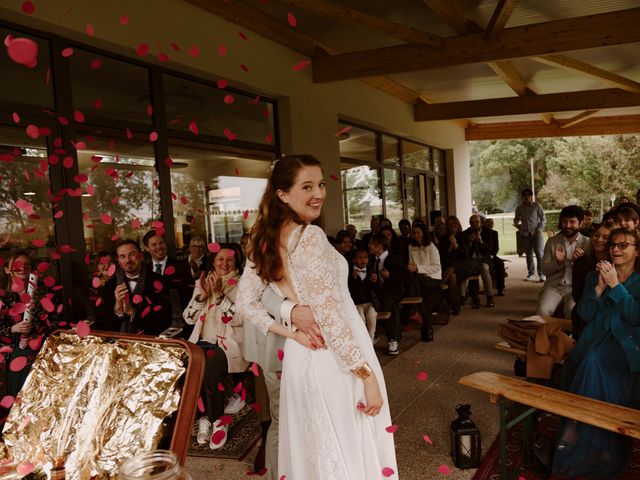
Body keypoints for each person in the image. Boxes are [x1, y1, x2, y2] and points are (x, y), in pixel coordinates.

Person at [236, 154, 397, 479]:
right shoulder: (307, 236)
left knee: (317, 450)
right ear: (282, 194)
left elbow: (244, 302)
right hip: (336, 358)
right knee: (347, 447)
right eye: (306, 186)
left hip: (302, 354)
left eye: (321, 184)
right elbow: (330, 316)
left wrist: (291, 331)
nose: (319, 193)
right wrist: (367, 376)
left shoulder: (264, 238)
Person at [552, 228, 640, 478]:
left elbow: (635, 316)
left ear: (637, 251)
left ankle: (577, 431)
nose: (615, 249)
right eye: (614, 244)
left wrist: (616, 285)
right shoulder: (595, 274)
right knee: (586, 360)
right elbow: (586, 314)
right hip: (595, 340)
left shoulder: (639, 280)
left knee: (594, 362)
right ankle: (594, 443)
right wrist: (599, 289)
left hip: (626, 345)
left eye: (624, 245)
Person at [183, 246, 247, 450]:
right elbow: (189, 318)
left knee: (208, 362)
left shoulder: (243, 284)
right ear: (213, 261)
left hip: (231, 343)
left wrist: (220, 295)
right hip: (202, 340)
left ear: (237, 262)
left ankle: (218, 420)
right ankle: (205, 418)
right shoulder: (203, 281)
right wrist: (201, 296)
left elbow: (240, 319)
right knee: (193, 360)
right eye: (220, 259)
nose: (224, 264)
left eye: (230, 260)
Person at [0, 251, 61, 399]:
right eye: (17, 265)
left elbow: (56, 321)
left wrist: (38, 336)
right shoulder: (3, 298)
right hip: (14, 355)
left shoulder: (46, 294)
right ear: (7, 270)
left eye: (27, 265)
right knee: (19, 394)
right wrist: (13, 330)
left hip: (42, 351)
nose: (22, 268)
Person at [98, 239, 172, 335]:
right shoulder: (110, 285)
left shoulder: (160, 282)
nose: (128, 260)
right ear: (119, 260)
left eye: (132, 254)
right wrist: (117, 309)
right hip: (121, 345)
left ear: (141, 256)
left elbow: (163, 323)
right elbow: (106, 326)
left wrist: (133, 312)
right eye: (122, 256)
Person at [537, 206, 591, 319]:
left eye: (572, 222)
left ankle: (569, 337)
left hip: (576, 288)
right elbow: (545, 270)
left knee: (572, 311)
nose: (567, 225)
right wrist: (558, 262)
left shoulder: (588, 243)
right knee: (542, 311)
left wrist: (578, 263)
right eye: (564, 221)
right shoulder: (552, 242)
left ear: (581, 224)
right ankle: (544, 336)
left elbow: (590, 272)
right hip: (554, 286)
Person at [570, 220, 616, 339]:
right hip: (586, 308)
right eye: (596, 235)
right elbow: (577, 295)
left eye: (605, 237)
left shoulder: (616, 264)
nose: (599, 239)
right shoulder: (581, 262)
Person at [369, 233, 409, 355]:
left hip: (395, 291)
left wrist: (389, 276)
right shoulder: (373, 260)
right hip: (382, 291)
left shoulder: (392, 259)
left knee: (387, 305)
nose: (369, 246)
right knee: (390, 307)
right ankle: (391, 338)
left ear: (380, 246)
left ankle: (392, 339)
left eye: (372, 244)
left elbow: (406, 276)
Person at [407, 223, 441, 341]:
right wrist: (412, 268)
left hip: (433, 277)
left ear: (424, 233)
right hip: (419, 279)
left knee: (419, 284)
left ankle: (416, 310)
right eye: (414, 233)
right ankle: (427, 328)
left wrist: (418, 268)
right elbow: (411, 263)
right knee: (425, 297)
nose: (416, 235)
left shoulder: (431, 247)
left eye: (418, 233)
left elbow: (436, 267)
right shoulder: (411, 246)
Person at [514, 188, 546, 282]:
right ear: (522, 197)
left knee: (540, 254)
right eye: (525, 195)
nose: (527, 196)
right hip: (525, 234)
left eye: (528, 195)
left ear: (531, 196)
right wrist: (516, 220)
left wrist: (539, 229)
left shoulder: (537, 206)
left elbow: (543, 218)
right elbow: (516, 219)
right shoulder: (519, 208)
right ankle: (531, 274)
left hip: (536, 233)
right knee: (529, 255)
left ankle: (542, 274)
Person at [463, 215, 495, 308]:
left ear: (480, 222)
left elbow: (489, 248)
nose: (474, 224)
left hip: (483, 259)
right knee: (470, 270)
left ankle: (489, 297)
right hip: (470, 260)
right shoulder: (465, 233)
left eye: (476, 222)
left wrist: (480, 241)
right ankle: (474, 297)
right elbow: (464, 251)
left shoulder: (487, 232)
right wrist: (471, 242)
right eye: (472, 222)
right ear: (469, 223)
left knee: (484, 269)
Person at [348, 247, 378, 342]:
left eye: (365, 257)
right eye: (360, 258)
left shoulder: (371, 271)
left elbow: (379, 289)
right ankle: (363, 341)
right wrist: (352, 279)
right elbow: (348, 289)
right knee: (361, 320)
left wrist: (376, 282)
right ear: (354, 260)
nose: (363, 260)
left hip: (370, 302)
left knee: (372, 317)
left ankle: (371, 339)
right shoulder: (349, 272)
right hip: (356, 303)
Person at [483, 218, 506, 296]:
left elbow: (496, 247)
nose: (490, 224)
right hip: (482, 256)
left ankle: (501, 288)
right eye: (488, 222)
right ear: (484, 223)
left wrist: (492, 255)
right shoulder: (481, 233)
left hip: (491, 255)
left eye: (492, 223)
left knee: (500, 264)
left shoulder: (494, 233)